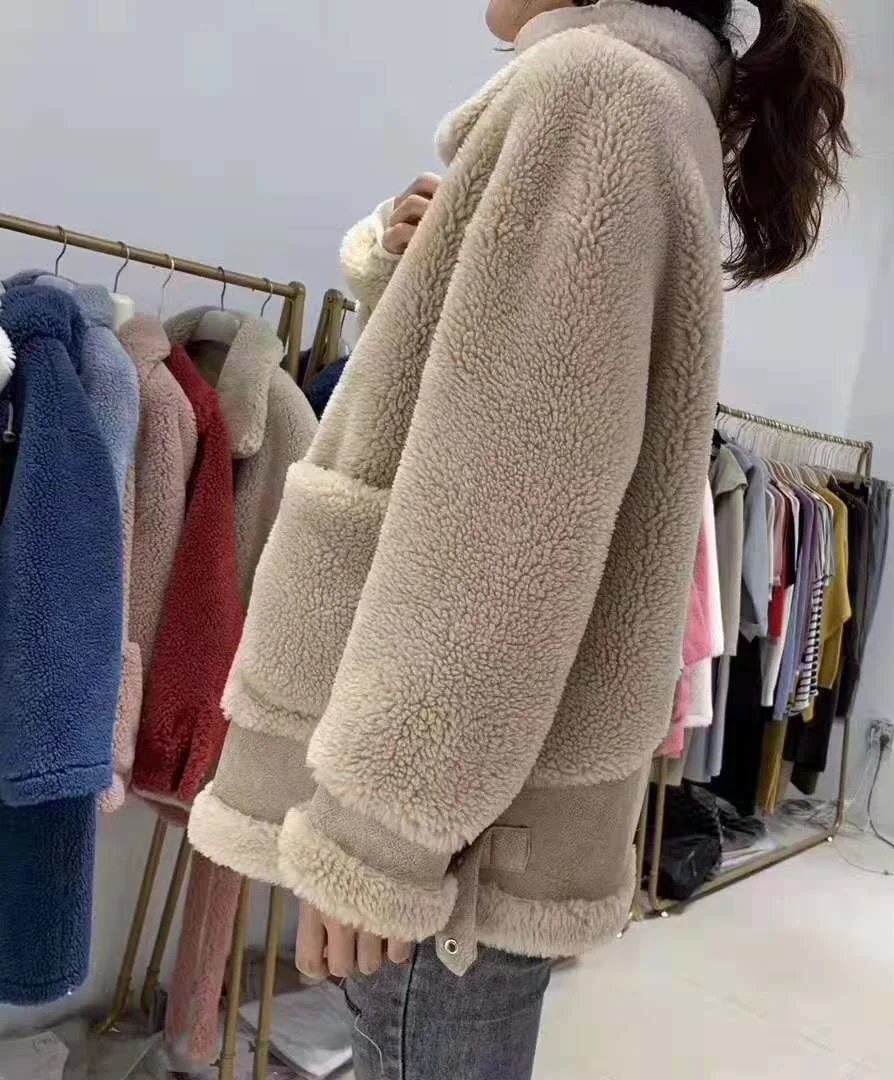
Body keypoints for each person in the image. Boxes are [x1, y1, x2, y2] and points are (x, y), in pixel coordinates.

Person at [186, 0, 849, 1075]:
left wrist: (376, 837)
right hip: (482, 808)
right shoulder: (639, 100)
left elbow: (503, 524)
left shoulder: (594, 95)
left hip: (451, 835)